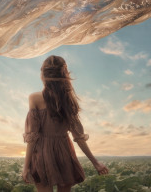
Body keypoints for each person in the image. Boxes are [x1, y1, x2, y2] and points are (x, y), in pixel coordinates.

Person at [22, 55, 109, 192]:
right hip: (64, 152)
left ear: (42, 75)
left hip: (42, 155)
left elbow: (32, 138)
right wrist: (96, 163)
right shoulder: (68, 100)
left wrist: (26, 166)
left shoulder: (34, 98)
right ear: (64, 75)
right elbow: (79, 138)